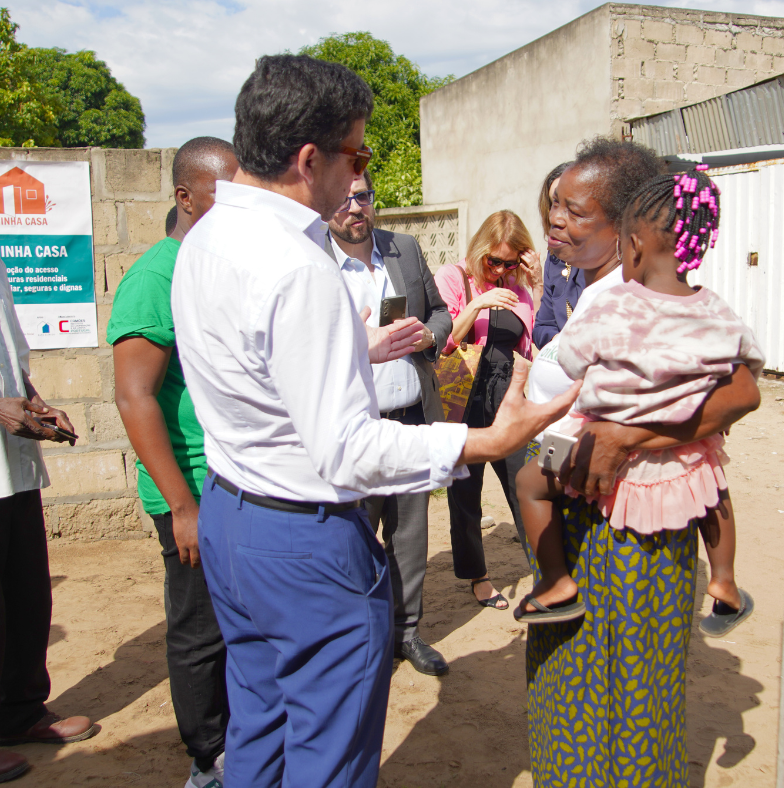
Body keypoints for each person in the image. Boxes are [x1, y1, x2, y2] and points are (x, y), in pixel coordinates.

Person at [169, 55, 578, 788]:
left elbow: (255, 365)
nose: (358, 174)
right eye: (356, 154)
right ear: (308, 159)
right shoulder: (300, 267)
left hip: (235, 516)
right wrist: (486, 440)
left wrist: (353, 349)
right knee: (328, 756)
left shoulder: (205, 237)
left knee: (260, 728)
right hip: (304, 540)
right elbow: (349, 450)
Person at [522, 138, 762, 786]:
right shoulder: (593, 285)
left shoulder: (624, 300)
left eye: (574, 211)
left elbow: (742, 392)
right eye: (554, 206)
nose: (556, 221)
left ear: (626, 229)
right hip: (603, 501)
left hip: (627, 522)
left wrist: (629, 435)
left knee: (627, 680)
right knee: (596, 678)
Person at [109, 136, 237, 788]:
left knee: (237, 620)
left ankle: (236, 742)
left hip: (230, 478)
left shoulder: (215, 267)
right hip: (188, 485)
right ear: (184, 197)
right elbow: (134, 396)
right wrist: (182, 504)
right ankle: (207, 759)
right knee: (199, 628)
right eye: (223, 195)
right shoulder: (157, 276)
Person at [327, 168, 453, 677]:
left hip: (411, 420)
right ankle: (361, 637)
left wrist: (429, 335)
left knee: (409, 533)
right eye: (342, 199)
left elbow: (442, 311)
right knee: (353, 537)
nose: (354, 207)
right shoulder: (314, 262)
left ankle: (407, 632)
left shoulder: (404, 248)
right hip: (352, 428)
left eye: (362, 196)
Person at [0, 267, 95, 782]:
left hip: (13, 469)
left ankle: (19, 713)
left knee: (27, 596)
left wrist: (32, 401)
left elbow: (10, 357)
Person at [434, 211, 541, 609]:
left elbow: (534, 345)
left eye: (508, 262)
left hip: (508, 397)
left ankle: (542, 568)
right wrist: (479, 302)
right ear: (479, 250)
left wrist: (536, 283)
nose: (499, 269)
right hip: (464, 396)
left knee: (525, 485)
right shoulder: (454, 277)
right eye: (492, 261)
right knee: (466, 493)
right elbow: (441, 343)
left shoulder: (520, 287)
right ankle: (477, 576)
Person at [531, 161, 583, 350]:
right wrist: (556, 340)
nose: (559, 215)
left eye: (569, 202)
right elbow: (542, 326)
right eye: (554, 203)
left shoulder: (602, 256)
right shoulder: (554, 261)